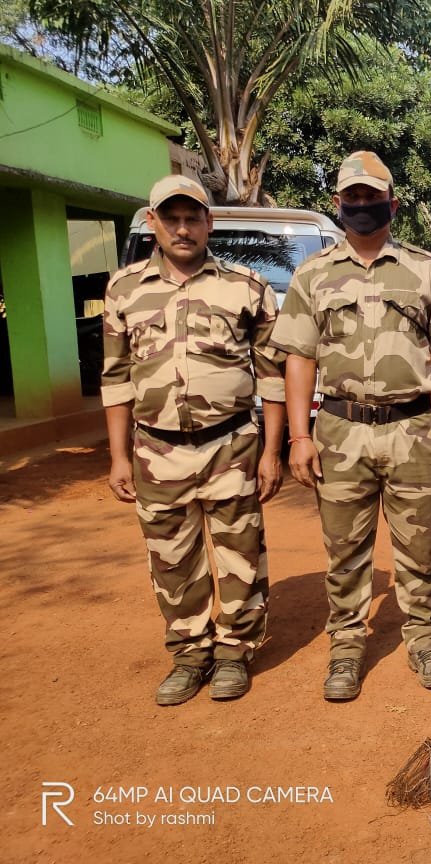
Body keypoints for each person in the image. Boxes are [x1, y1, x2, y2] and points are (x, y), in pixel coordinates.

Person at [271, 151, 431, 701]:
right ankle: (347, 646)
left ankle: (424, 639)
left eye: (371, 196)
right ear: (338, 203)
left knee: (419, 544)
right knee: (345, 549)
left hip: (413, 429)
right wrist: (299, 436)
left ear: (392, 204)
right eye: (352, 196)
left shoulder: (427, 269)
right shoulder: (313, 274)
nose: (362, 205)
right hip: (340, 429)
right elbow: (299, 357)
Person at [102, 174, 285, 705]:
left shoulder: (246, 286)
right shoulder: (124, 289)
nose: (182, 229)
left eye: (192, 218)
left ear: (209, 222)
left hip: (231, 445)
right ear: (152, 222)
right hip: (155, 450)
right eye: (171, 218)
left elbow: (271, 375)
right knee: (172, 558)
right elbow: (115, 378)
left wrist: (272, 452)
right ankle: (189, 654)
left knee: (240, 554)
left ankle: (233, 653)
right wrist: (118, 457)